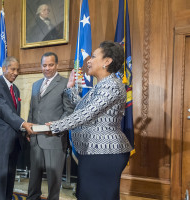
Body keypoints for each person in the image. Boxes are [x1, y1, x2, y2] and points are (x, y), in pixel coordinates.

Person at [45, 41, 133, 200]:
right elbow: (82, 107)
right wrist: (70, 88)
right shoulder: (102, 85)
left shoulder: (111, 85)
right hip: (93, 152)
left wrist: (55, 126)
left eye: (93, 56)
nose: (89, 60)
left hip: (105, 153)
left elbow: (86, 114)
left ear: (107, 61)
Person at [27, 52, 74, 200]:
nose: (47, 68)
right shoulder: (35, 85)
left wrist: (56, 127)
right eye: (44, 65)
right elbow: (32, 110)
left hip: (54, 139)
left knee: (54, 180)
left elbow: (69, 112)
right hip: (35, 139)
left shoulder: (65, 84)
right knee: (34, 177)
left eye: (51, 65)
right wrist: (28, 131)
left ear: (57, 65)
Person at [0, 56, 34, 200]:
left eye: (17, 70)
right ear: (4, 68)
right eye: (13, 69)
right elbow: (3, 109)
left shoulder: (16, 89)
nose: (16, 72)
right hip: (0, 141)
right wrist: (23, 123)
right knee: (0, 179)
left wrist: (22, 130)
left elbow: (13, 114)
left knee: (9, 177)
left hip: (13, 140)